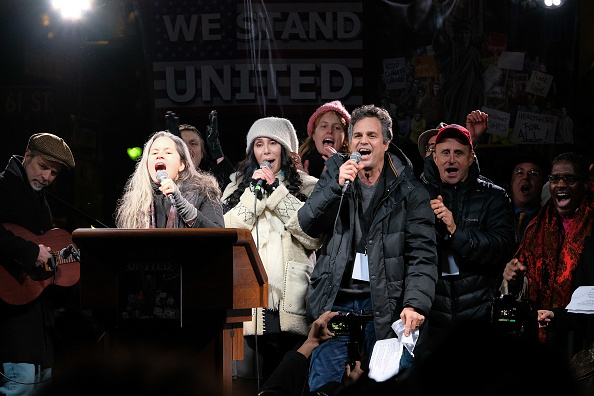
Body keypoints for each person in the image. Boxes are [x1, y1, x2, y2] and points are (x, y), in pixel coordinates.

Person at [297, 104, 438, 391]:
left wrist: (414, 303)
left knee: (382, 385)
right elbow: (308, 223)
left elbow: (422, 254)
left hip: (384, 305)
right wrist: (336, 186)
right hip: (335, 302)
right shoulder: (336, 174)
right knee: (324, 385)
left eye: (372, 136)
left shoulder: (410, 191)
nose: (364, 141)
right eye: (358, 135)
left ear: (386, 143)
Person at [221, 117, 320, 381]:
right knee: (245, 382)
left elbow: (312, 234)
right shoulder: (237, 188)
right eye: (259, 144)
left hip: (292, 301)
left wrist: (276, 191)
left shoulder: (308, 187)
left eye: (273, 143)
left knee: (287, 382)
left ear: (286, 150)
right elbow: (227, 231)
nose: (265, 151)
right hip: (249, 304)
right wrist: (254, 192)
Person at [421, 124, 515, 341]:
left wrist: (455, 231)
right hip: (432, 321)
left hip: (480, 320)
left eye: (459, 153)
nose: (451, 159)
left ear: (471, 158)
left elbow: (503, 247)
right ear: (434, 159)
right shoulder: (418, 196)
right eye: (445, 152)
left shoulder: (494, 197)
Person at [0, 133, 76, 396]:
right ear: (27, 156)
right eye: (43, 167)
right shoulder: (3, 187)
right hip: (11, 320)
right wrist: (30, 252)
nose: (46, 177)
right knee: (19, 389)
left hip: (39, 323)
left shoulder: (41, 201)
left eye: (53, 173)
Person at [502, 152, 594, 361]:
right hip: (542, 337)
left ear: (586, 185)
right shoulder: (537, 227)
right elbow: (523, 278)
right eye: (554, 179)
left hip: (583, 341)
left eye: (569, 179)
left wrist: (560, 316)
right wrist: (514, 277)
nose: (560, 184)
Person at [115, 130, 223, 229]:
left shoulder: (204, 192)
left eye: (168, 152)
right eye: (154, 153)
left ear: (182, 164)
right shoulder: (134, 202)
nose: (159, 156)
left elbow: (219, 236)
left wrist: (182, 205)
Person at [166, 110, 235, 191]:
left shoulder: (212, 184)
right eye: (182, 144)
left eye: (193, 143)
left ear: (202, 153)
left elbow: (232, 187)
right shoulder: (164, 180)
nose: (187, 148)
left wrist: (217, 152)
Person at [298, 101, 351, 178]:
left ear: (345, 139)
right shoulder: (297, 166)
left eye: (337, 128)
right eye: (324, 126)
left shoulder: (355, 168)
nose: (330, 131)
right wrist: (304, 184)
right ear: (313, 134)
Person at [508, 153, 546, 243]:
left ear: (542, 184)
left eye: (533, 173)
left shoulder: (549, 218)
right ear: (511, 182)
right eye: (519, 172)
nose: (525, 177)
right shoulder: (496, 215)